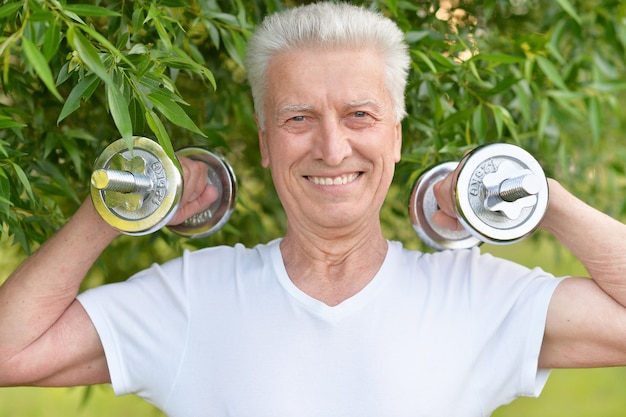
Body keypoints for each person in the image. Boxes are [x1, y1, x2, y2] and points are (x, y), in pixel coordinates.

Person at [1, 2, 626, 416]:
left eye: (359, 115)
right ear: (268, 144)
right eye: (299, 118)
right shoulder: (194, 297)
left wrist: (530, 193)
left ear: (397, 137)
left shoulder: (474, 297)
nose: (332, 148)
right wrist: (122, 200)